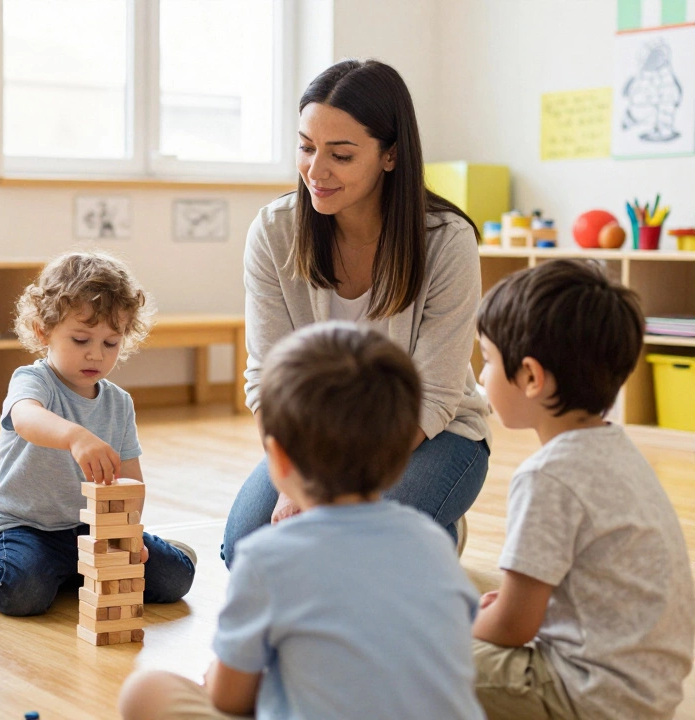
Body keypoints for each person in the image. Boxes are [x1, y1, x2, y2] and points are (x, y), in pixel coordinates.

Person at [120, 322, 483, 720]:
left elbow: (228, 698)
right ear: (403, 456)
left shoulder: (266, 558)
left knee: (145, 691)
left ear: (278, 457)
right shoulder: (434, 543)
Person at [224, 58, 489, 567]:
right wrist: (294, 483)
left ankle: (438, 530)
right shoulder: (275, 231)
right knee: (246, 549)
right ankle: (417, 530)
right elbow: (267, 378)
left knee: (350, 549)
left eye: (340, 155)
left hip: (432, 434)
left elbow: (434, 395)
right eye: (305, 147)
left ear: (390, 156)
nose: (315, 171)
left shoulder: (447, 241)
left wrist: (330, 498)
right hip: (318, 437)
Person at [472, 260, 694, 719]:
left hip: (585, 696)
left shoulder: (547, 476)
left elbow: (512, 627)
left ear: (531, 377)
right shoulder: (615, 449)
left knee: (415, 654)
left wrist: (463, 625)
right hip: (645, 690)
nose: (481, 377)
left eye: (488, 360)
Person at [0, 251, 196, 616]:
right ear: (43, 331)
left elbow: (129, 478)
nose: (96, 355)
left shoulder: (119, 402)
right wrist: (75, 436)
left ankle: (162, 553)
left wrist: (128, 533)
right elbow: (27, 418)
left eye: (111, 343)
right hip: (28, 527)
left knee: (175, 580)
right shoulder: (33, 381)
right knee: (22, 593)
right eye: (81, 340)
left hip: (91, 530)